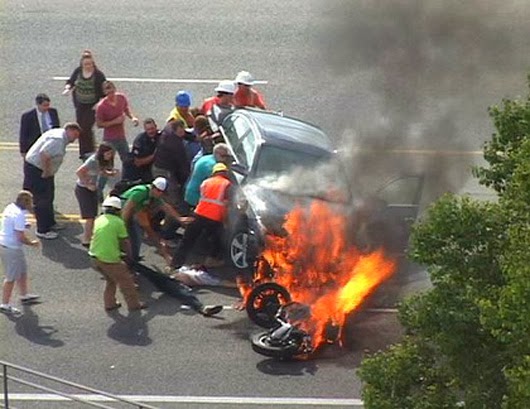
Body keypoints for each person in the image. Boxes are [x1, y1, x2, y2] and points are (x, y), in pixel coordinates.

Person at [169, 163, 233, 270]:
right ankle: (212, 260)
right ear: (225, 172)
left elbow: (203, 199)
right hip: (215, 218)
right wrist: (226, 221)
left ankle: (175, 263)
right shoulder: (227, 184)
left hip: (199, 214)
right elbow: (225, 205)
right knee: (218, 240)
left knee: (187, 240)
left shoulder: (205, 182)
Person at [88, 196, 146, 312]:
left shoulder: (99, 219)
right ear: (118, 210)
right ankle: (134, 305)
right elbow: (124, 242)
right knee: (127, 283)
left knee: (111, 280)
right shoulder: (118, 223)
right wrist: (129, 257)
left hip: (94, 257)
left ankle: (110, 303)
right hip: (109, 259)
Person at [24, 122, 81, 239]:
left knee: (49, 196)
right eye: (75, 135)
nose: (75, 139)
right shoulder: (58, 140)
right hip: (38, 170)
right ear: (69, 130)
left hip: (44, 170)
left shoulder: (59, 134)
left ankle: (50, 223)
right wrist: (46, 171)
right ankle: (42, 229)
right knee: (42, 200)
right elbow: (44, 154)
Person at [120, 177, 191, 263]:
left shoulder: (154, 195)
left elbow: (165, 206)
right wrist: (122, 226)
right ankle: (126, 258)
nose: (160, 195)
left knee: (138, 236)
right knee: (127, 236)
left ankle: (133, 258)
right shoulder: (140, 192)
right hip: (122, 214)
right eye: (159, 192)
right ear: (153, 188)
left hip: (135, 214)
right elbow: (127, 209)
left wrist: (179, 218)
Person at [0, 191, 40, 315]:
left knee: (22, 271)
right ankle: (4, 304)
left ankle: (24, 295)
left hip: (9, 245)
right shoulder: (19, 215)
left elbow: (15, 226)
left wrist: (24, 225)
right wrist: (32, 243)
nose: (32, 204)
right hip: (11, 248)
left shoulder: (11, 207)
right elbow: (20, 237)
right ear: (26, 202)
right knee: (11, 277)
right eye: (30, 202)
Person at [62, 50, 107, 159]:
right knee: (80, 127)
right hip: (80, 104)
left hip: (92, 105)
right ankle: (83, 152)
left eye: (90, 64)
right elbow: (71, 81)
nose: (87, 66)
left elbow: (105, 90)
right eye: (85, 64)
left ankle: (90, 150)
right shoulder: (78, 71)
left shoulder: (98, 75)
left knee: (86, 127)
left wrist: (99, 104)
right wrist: (68, 88)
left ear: (93, 63)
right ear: (82, 64)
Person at [75, 143, 119, 246]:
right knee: (90, 217)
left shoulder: (102, 161)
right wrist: (87, 184)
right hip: (83, 190)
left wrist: (109, 174)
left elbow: (100, 171)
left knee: (93, 215)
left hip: (92, 189)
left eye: (111, 154)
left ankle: (90, 236)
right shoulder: (93, 161)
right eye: (108, 154)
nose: (110, 156)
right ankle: (86, 240)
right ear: (102, 153)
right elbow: (79, 172)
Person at [20, 93, 61, 190]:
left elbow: (56, 128)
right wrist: (23, 151)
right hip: (34, 148)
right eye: (44, 105)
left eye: (48, 105)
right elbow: (23, 134)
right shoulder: (28, 116)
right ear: (38, 104)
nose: (46, 108)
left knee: (47, 173)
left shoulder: (53, 112)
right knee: (31, 176)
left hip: (48, 148)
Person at [95, 80, 139, 164]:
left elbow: (126, 109)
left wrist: (132, 117)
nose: (110, 94)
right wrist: (115, 122)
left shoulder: (121, 98)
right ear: (104, 92)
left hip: (121, 136)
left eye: (111, 91)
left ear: (114, 89)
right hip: (109, 139)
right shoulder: (101, 106)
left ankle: (127, 176)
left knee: (127, 160)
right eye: (107, 92)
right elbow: (99, 124)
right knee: (108, 161)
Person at [152, 119, 191, 210]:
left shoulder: (169, 128)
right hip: (163, 169)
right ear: (174, 130)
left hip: (159, 165)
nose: (182, 133)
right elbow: (182, 162)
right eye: (180, 131)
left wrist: (193, 137)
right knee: (172, 193)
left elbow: (184, 134)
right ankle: (173, 213)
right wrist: (187, 177)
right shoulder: (175, 143)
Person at [185, 143, 232, 208]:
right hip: (196, 196)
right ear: (217, 154)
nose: (226, 159)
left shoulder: (207, 157)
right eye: (223, 156)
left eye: (227, 157)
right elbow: (219, 183)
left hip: (191, 191)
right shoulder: (211, 166)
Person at [122, 118, 160, 183]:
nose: (151, 131)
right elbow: (138, 162)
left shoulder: (161, 136)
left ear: (156, 127)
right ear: (145, 129)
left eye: (152, 128)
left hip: (151, 168)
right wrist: (154, 155)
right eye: (148, 129)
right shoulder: (140, 141)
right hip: (137, 173)